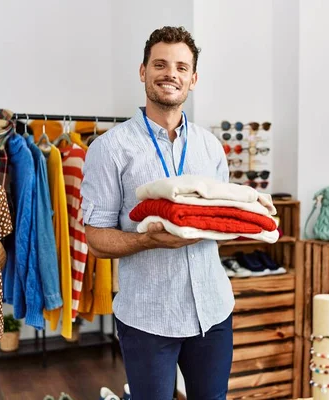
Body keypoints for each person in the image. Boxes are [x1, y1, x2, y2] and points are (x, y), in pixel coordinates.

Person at [81, 26, 234, 399]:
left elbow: (221, 217)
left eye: (182, 67)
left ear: (193, 79)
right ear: (143, 71)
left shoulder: (211, 147)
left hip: (213, 313)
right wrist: (146, 240)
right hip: (147, 318)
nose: (171, 74)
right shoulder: (109, 149)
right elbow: (96, 239)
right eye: (160, 64)